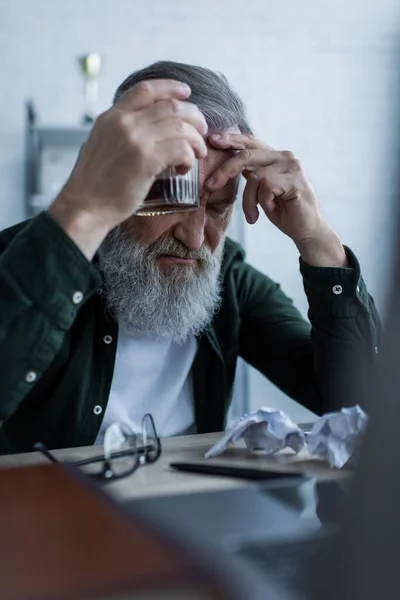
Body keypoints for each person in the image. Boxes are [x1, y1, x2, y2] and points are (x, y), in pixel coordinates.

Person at [0, 61, 380, 454]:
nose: (195, 237)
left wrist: (317, 239)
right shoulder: (19, 261)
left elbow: (359, 406)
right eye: (171, 202)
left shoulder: (229, 279)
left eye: (217, 208)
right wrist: (81, 212)